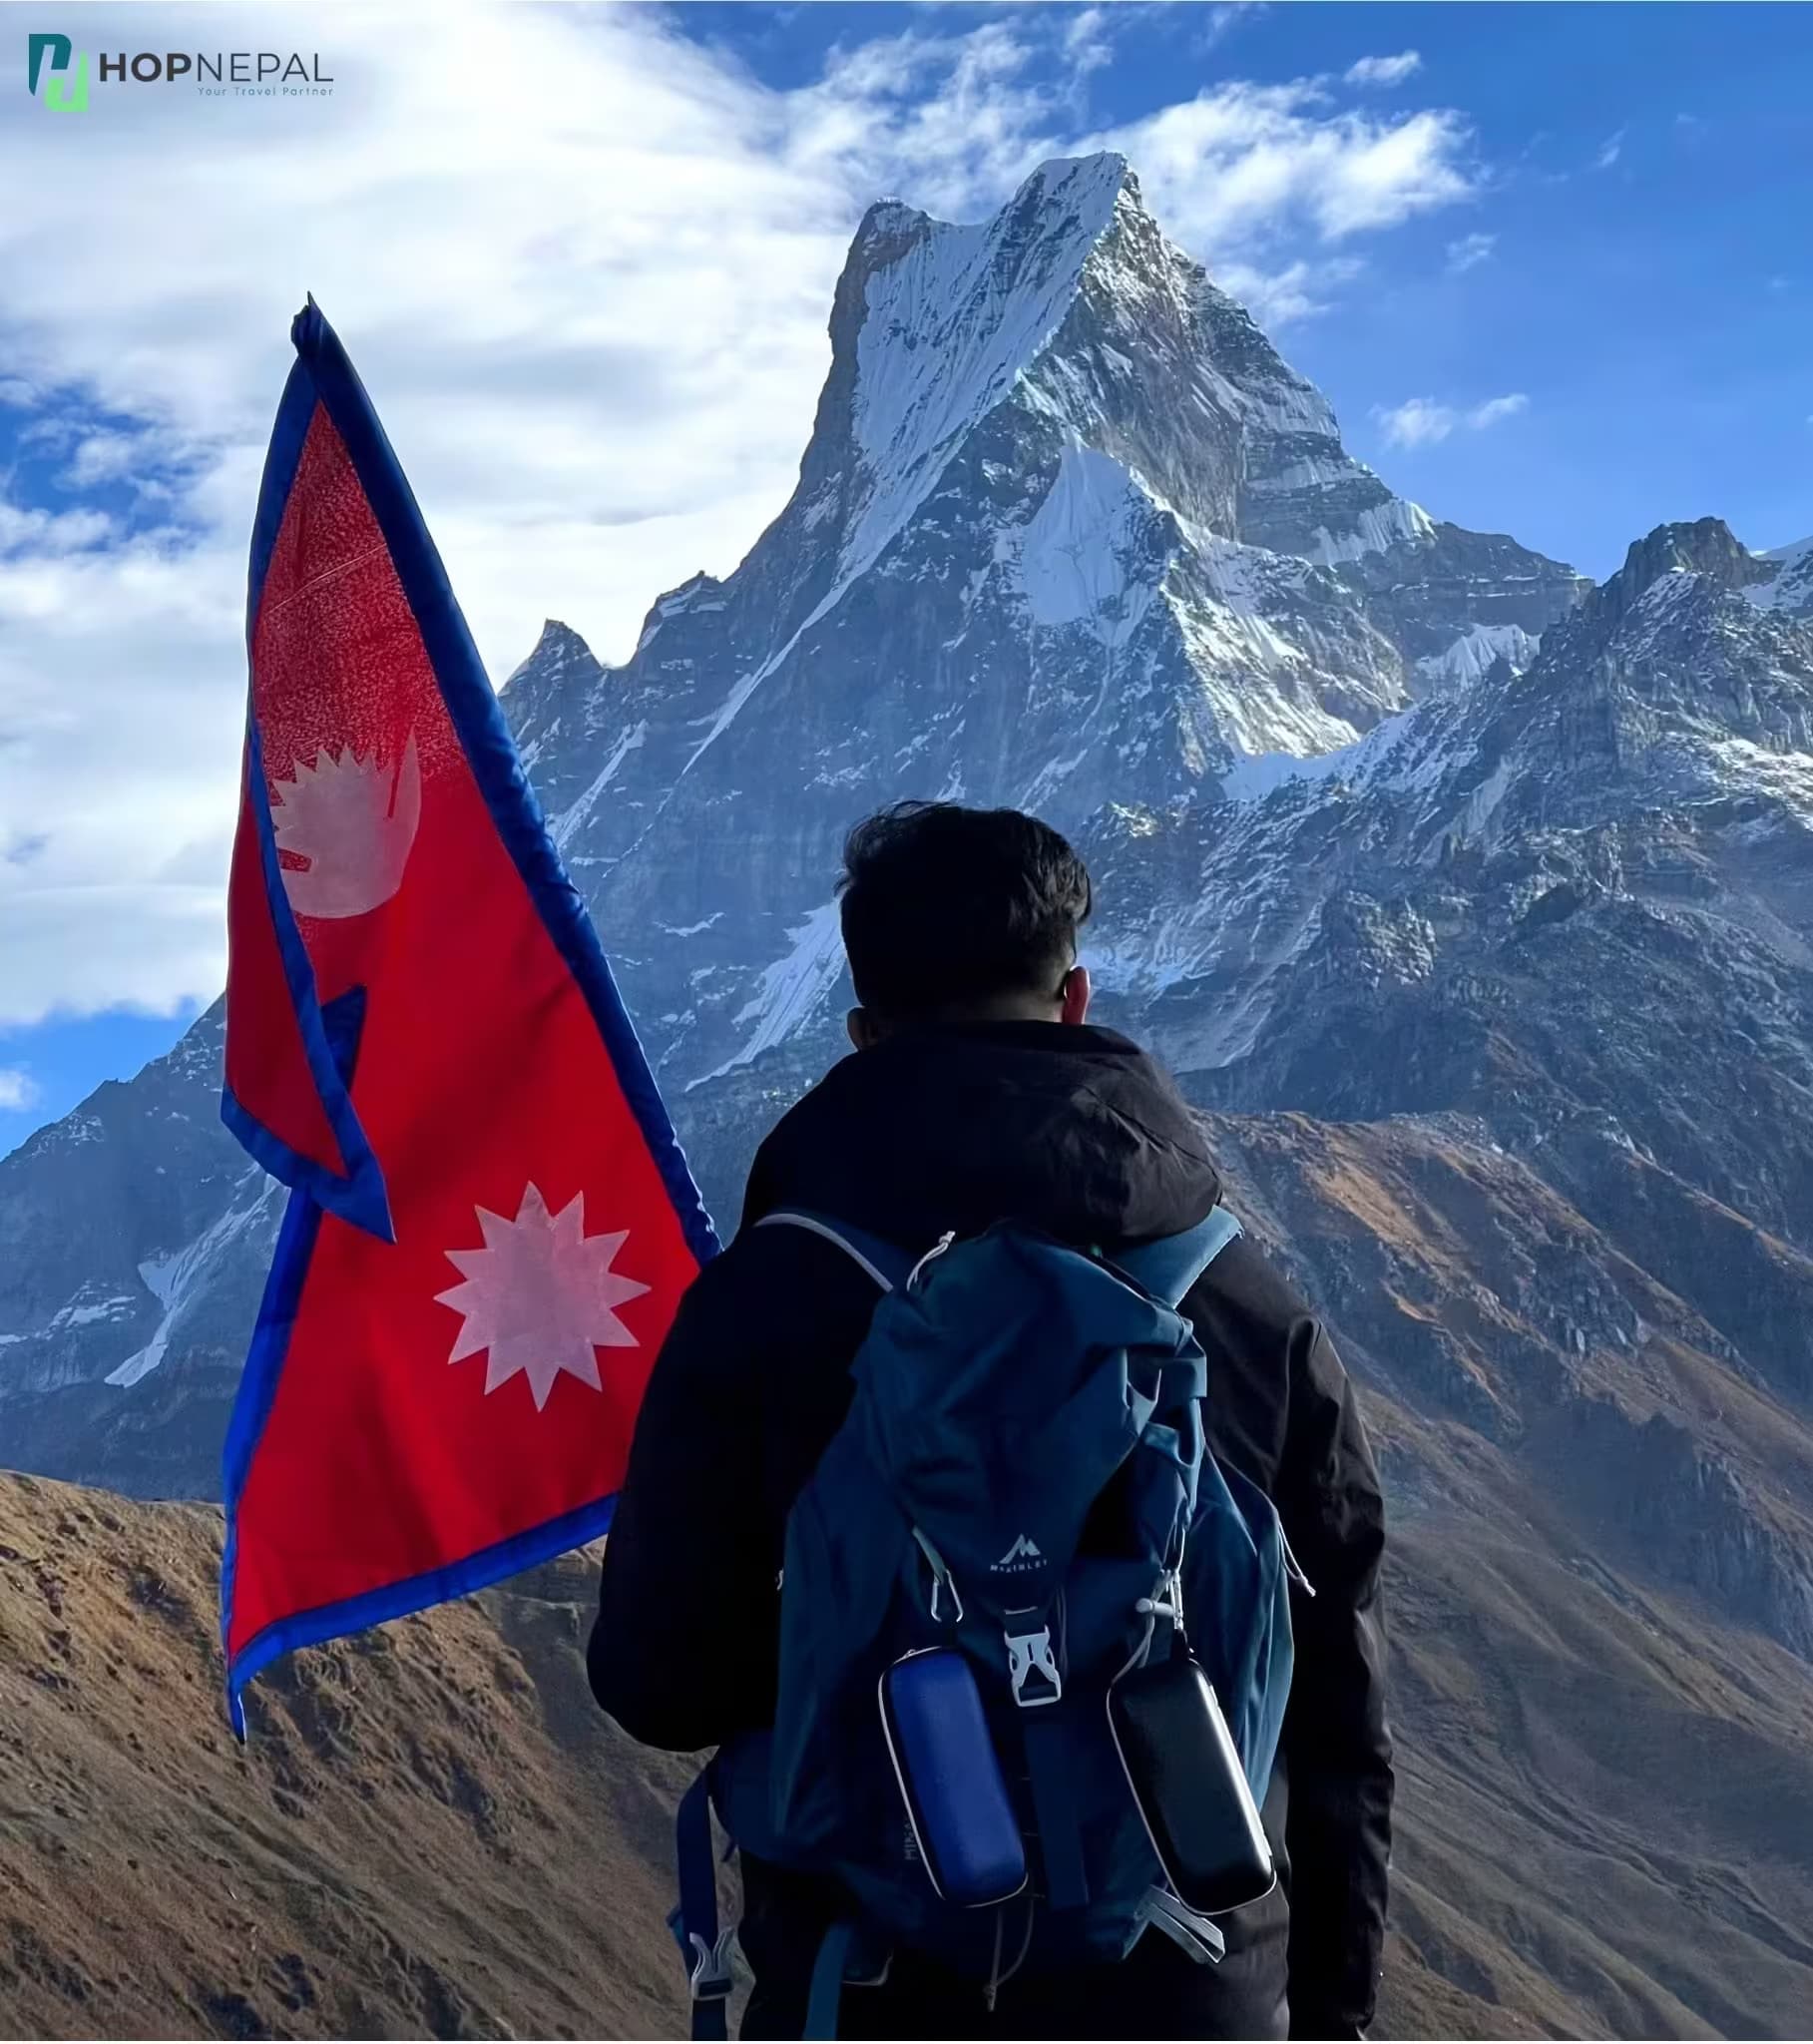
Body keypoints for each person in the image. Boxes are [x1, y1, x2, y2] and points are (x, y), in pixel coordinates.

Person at [589, 800, 1392, 2041]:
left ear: (860, 1031)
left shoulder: (767, 1292)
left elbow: (658, 1680)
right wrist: (1328, 2015)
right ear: (1074, 1000)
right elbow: (1339, 1713)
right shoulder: (1240, 1297)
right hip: (1194, 1988)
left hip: (869, 1989)